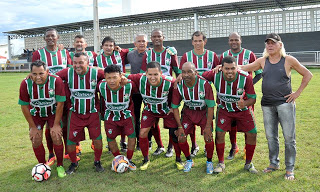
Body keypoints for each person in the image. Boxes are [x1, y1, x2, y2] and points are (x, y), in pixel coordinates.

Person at [238, 33, 313, 180]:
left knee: (289, 138)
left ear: (280, 45)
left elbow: (308, 74)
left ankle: (290, 168)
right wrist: (227, 66)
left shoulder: (288, 60)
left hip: (285, 104)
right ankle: (274, 163)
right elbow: (243, 67)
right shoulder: (262, 61)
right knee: (271, 137)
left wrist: (297, 93)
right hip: (267, 105)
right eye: (268, 43)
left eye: (273, 43)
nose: (270, 45)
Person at [202, 56, 259, 174]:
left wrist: (245, 103)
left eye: (232, 68)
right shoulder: (215, 75)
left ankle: (248, 163)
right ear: (221, 68)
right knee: (219, 133)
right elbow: (198, 76)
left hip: (242, 110)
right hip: (224, 109)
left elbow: (253, 98)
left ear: (237, 67)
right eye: (226, 68)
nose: (229, 71)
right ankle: (221, 163)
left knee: (252, 133)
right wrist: (181, 76)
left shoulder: (245, 77)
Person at [56, 52, 105, 174]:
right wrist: (31, 76)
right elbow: (51, 77)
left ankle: (97, 161)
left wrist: (123, 77)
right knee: (71, 140)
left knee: (97, 139)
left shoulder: (95, 72)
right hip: (75, 113)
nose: (77, 65)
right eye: (75, 63)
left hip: (92, 113)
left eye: (81, 63)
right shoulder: (67, 72)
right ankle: (74, 163)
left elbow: (113, 74)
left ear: (88, 63)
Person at [19, 60, 66, 178]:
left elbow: (60, 104)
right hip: (36, 115)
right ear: (30, 73)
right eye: (34, 74)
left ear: (47, 71)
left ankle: (60, 165)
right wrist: (33, 127)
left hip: (53, 113)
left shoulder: (56, 81)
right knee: (35, 139)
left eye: (41, 73)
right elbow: (24, 106)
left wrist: (56, 125)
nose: (38, 77)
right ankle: (42, 166)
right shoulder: (25, 83)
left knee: (56, 136)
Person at [127, 61, 178, 170]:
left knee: (174, 132)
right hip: (149, 110)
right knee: (143, 133)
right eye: (150, 74)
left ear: (161, 73)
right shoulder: (140, 78)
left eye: (155, 74)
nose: (153, 77)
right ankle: (146, 159)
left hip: (166, 110)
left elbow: (180, 91)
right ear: (145, 74)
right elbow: (120, 74)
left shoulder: (170, 81)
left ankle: (177, 157)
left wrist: (174, 107)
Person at [32, 28, 72, 166]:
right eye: (47, 36)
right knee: (50, 127)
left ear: (58, 37)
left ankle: (67, 151)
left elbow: (70, 71)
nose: (50, 38)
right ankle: (50, 152)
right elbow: (33, 74)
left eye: (52, 36)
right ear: (44, 39)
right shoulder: (38, 53)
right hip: (46, 96)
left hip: (63, 95)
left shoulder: (64, 52)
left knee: (64, 124)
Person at [220, 32, 262, 160]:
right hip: (228, 97)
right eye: (231, 40)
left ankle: (245, 147)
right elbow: (217, 72)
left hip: (245, 98)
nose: (234, 42)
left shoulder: (250, 54)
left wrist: (246, 89)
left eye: (236, 40)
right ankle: (234, 147)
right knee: (231, 124)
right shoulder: (223, 55)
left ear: (240, 40)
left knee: (247, 124)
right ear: (228, 41)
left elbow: (259, 74)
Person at [140, 29, 180, 157]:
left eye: (159, 36)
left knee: (170, 119)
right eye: (154, 36)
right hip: (152, 90)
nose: (157, 38)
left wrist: (177, 86)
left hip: (167, 90)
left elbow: (177, 71)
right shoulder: (148, 54)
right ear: (151, 39)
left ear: (163, 37)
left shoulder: (170, 53)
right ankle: (160, 146)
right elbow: (142, 72)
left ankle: (170, 147)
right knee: (153, 120)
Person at [180, 31, 220, 157]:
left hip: (205, 94)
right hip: (191, 94)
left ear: (205, 41)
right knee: (190, 120)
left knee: (206, 124)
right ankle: (194, 145)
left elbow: (216, 73)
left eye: (200, 41)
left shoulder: (212, 55)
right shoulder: (186, 56)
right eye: (195, 41)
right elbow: (182, 75)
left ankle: (206, 148)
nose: (198, 43)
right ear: (192, 42)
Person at [172, 62, 216, 173]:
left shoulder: (205, 84)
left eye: (189, 72)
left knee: (208, 137)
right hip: (188, 112)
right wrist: (179, 126)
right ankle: (189, 160)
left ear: (195, 73)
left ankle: (209, 162)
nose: (186, 75)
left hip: (203, 112)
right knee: (181, 136)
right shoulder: (178, 86)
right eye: (183, 72)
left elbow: (211, 107)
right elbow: (175, 108)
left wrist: (207, 127)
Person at [98, 65, 137, 170]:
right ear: (105, 77)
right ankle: (118, 159)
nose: (111, 81)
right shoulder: (101, 86)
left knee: (132, 137)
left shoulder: (130, 85)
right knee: (110, 138)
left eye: (114, 77)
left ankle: (128, 160)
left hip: (127, 116)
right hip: (110, 117)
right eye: (109, 78)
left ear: (121, 76)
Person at [126, 33, 150, 152]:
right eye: (139, 41)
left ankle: (148, 140)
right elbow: (121, 53)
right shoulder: (130, 55)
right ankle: (137, 141)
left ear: (147, 43)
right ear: (135, 44)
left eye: (143, 41)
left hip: (148, 90)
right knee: (135, 116)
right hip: (135, 90)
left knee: (150, 116)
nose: (141, 43)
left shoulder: (151, 54)